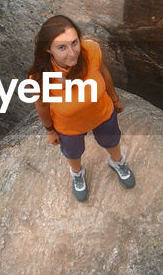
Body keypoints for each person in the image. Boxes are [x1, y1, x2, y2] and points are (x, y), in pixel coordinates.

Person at [29, 15, 135, 201]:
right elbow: (42, 105)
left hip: (101, 112)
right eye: (62, 47)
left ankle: (117, 162)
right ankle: (77, 173)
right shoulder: (40, 77)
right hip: (69, 125)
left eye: (74, 42)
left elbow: (103, 72)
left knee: (111, 140)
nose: (72, 53)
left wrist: (115, 98)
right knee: (73, 152)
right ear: (48, 49)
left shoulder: (90, 50)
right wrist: (50, 130)